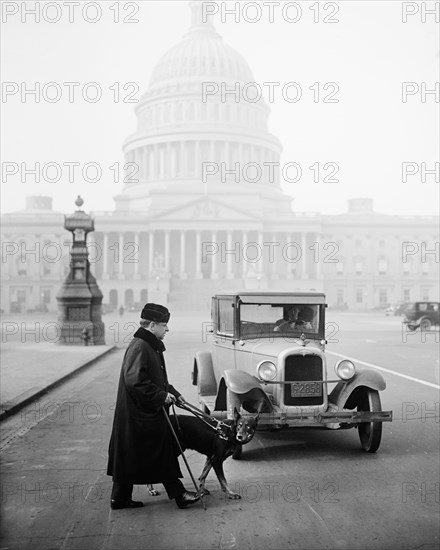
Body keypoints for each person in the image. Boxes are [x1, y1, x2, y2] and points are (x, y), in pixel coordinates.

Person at [107, 303, 200, 510]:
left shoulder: (148, 344)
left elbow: (157, 380)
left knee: (128, 455)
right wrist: (161, 397)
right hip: (141, 414)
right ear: (151, 325)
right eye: (164, 325)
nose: (167, 329)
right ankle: (179, 495)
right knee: (161, 451)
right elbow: (135, 381)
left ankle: (119, 498)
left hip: (140, 413)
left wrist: (175, 394)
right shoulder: (141, 346)